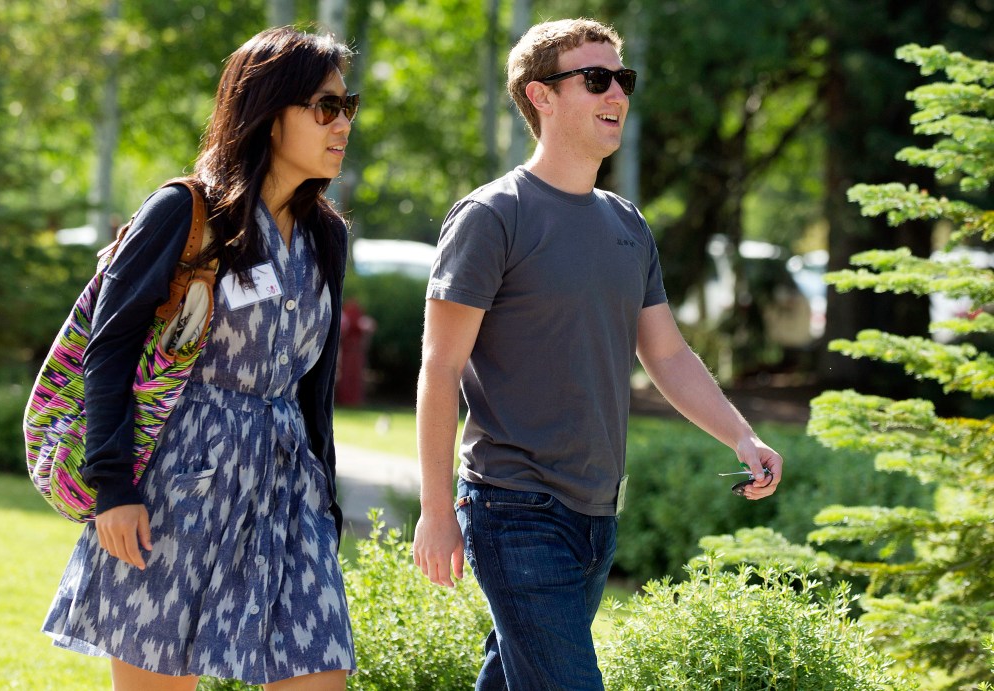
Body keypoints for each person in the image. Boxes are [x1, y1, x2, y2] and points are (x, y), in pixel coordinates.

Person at [412, 17, 783, 691]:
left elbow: (667, 353)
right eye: (595, 78)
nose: (616, 92)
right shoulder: (493, 215)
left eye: (622, 79)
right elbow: (438, 368)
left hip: (596, 512)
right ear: (540, 97)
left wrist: (741, 433)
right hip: (513, 507)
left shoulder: (627, 225)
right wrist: (437, 510)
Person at [42, 26, 359, 690]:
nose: (342, 124)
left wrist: (324, 496)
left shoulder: (326, 234)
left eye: (346, 106)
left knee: (324, 670)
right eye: (325, 108)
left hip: (284, 485)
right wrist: (115, 486)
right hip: (179, 480)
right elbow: (110, 349)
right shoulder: (186, 212)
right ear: (271, 115)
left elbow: (316, 385)